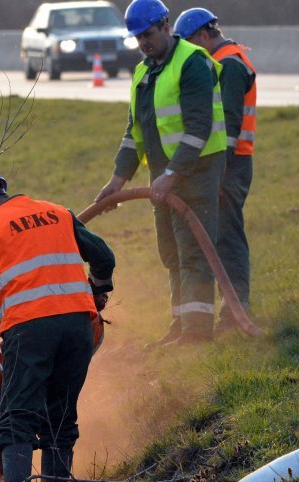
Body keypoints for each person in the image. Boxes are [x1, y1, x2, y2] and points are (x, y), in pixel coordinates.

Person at [0, 171, 115, 482]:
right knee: (61, 416)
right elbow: (103, 256)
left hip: (29, 330)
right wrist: (98, 289)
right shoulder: (57, 212)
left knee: (16, 417)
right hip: (78, 327)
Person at [95, 0, 226, 347]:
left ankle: (197, 334)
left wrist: (172, 172)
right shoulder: (143, 72)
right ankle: (180, 326)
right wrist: (116, 181)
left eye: (148, 34)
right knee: (171, 253)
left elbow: (199, 127)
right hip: (163, 177)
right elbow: (133, 134)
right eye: (137, 38)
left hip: (195, 173)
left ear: (166, 26)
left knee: (193, 252)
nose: (143, 42)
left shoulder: (192, 63)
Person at [174, 8, 256, 334]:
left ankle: (235, 314)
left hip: (230, 165)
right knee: (219, 236)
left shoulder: (230, 65)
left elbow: (230, 126)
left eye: (193, 43)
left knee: (228, 238)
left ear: (205, 35)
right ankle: (230, 311)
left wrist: (219, 174)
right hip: (227, 163)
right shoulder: (224, 60)